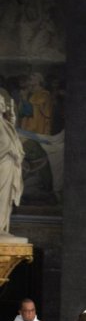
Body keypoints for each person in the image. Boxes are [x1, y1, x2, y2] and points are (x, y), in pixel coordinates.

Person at [0, 91, 23, 236]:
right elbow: (5, 144)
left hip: (8, 164)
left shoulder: (4, 123)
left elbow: (12, 139)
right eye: (0, 104)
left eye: (3, 103)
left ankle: (1, 227)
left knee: (5, 197)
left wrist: (12, 121)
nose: (3, 106)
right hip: (2, 163)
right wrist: (11, 150)